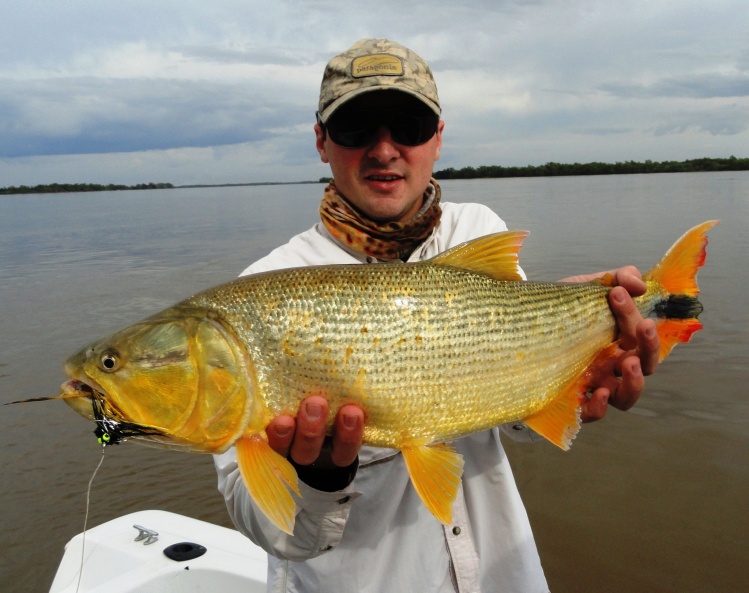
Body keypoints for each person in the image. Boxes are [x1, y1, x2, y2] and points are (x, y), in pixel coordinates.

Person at [214, 38, 660, 593]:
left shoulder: (476, 230)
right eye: (356, 129)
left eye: (408, 126)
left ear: (438, 138)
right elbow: (271, 532)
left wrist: (574, 361)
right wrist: (318, 476)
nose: (384, 150)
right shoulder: (255, 296)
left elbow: (514, 421)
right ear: (322, 143)